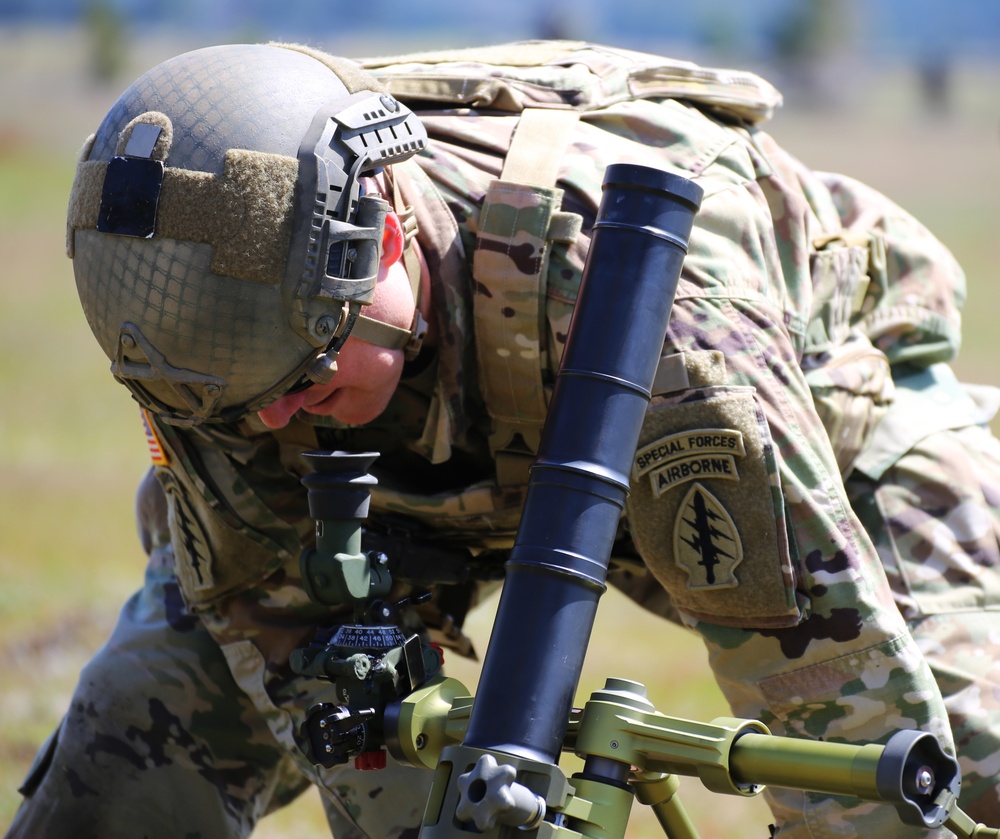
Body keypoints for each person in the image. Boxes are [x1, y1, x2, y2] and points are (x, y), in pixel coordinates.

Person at [7, 39, 1000, 838]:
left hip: (803, 411)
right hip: (407, 481)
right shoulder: (227, 353)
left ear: (383, 241)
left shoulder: (660, 314)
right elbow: (295, 646)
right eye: (239, 410)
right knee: (134, 733)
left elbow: (830, 685)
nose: (274, 424)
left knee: (961, 759)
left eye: (302, 377)